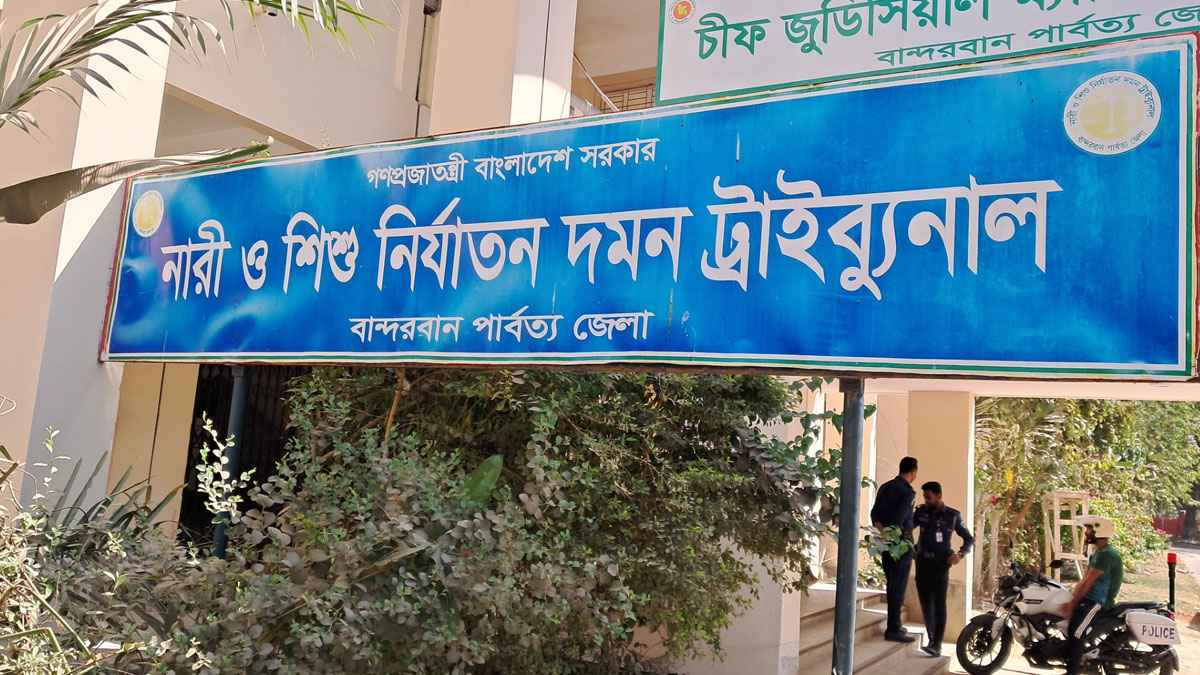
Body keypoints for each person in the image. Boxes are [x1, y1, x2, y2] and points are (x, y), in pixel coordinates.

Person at [912, 481, 974, 657]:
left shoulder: (952, 515)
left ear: (939, 495)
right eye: (924, 497)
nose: (926, 500)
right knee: (926, 603)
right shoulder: (921, 512)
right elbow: (907, 528)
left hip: (940, 564)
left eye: (929, 497)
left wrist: (960, 554)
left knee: (939, 603)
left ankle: (936, 644)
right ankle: (932, 640)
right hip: (922, 562)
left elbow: (969, 538)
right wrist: (910, 548)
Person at [1062, 516, 1123, 675]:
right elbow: (1084, 580)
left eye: (1090, 529)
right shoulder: (1098, 553)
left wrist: (1072, 604)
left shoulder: (1107, 555)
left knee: (1076, 633)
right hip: (1089, 599)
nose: (1086, 533)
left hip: (1097, 602)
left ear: (1099, 531)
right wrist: (1072, 596)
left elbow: (1088, 583)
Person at [870, 456, 919, 642]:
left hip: (885, 542)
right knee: (897, 587)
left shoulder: (885, 487)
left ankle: (895, 625)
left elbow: (874, 513)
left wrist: (882, 531)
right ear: (913, 472)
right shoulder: (908, 492)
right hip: (900, 545)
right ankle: (893, 628)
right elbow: (900, 519)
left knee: (892, 583)